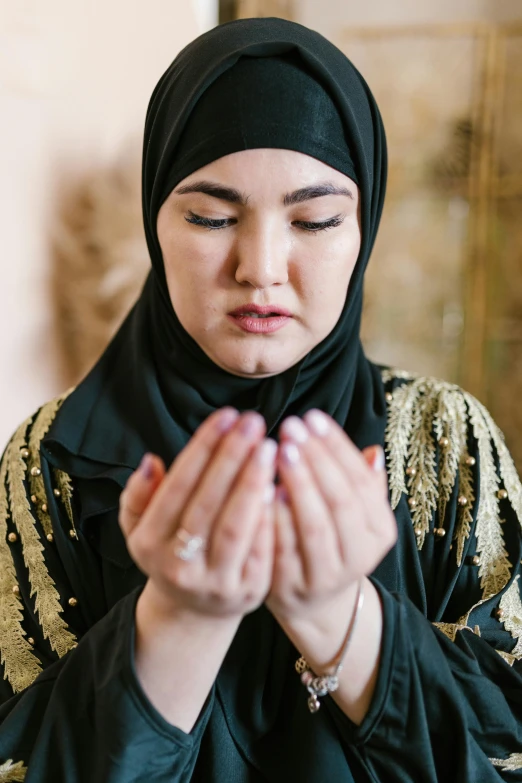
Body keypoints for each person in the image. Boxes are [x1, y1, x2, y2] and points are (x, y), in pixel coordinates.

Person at [0, 15, 521, 783]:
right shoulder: (56, 457)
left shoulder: (443, 444)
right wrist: (180, 620)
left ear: (363, 227)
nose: (262, 267)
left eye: (315, 219)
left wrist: (341, 617)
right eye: (211, 216)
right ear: (153, 219)